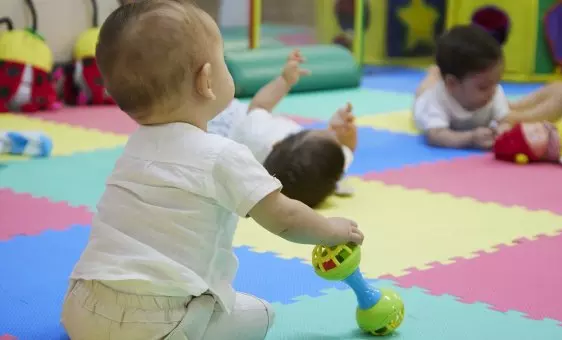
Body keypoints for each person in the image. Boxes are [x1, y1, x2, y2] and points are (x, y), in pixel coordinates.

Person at [60, 2, 364, 340]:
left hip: (81, 308)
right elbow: (285, 218)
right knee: (261, 314)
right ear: (207, 81)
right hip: (159, 322)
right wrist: (331, 230)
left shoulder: (134, 147)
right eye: (223, 61)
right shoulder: (223, 154)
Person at [208, 49, 358, 208]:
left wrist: (284, 81)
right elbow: (347, 148)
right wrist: (345, 131)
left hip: (222, 119)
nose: (329, 131)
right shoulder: (326, 173)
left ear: (277, 142)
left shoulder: (258, 135)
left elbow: (260, 105)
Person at [413, 24, 510, 150]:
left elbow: (505, 121)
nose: (493, 91)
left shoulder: (495, 91)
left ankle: (437, 72)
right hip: (424, 102)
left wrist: (502, 131)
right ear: (452, 84)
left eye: (497, 82)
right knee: (424, 90)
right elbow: (435, 135)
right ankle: (433, 73)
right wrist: (470, 138)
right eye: (483, 87)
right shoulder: (436, 99)